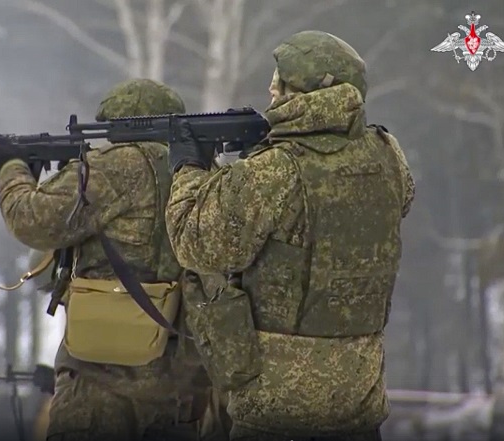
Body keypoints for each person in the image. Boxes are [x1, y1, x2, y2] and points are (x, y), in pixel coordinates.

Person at [164, 30, 416, 441]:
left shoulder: (275, 169)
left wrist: (189, 169)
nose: (270, 88)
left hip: (277, 408)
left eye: (280, 81)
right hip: (359, 397)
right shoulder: (389, 155)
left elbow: (196, 243)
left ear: (305, 94)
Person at [0, 78, 214, 441]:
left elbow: (31, 219)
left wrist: (11, 168)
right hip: (179, 383)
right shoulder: (198, 172)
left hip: (101, 379)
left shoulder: (112, 166)